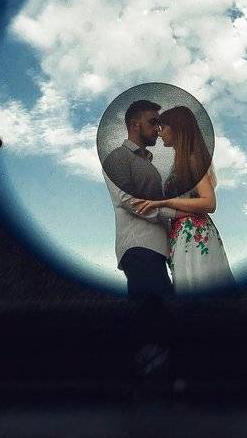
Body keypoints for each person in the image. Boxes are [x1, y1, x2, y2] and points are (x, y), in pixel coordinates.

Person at [134, 105, 235, 295]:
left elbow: (209, 202)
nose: (159, 133)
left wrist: (165, 202)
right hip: (182, 234)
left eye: (163, 127)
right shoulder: (181, 162)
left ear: (177, 129)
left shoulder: (192, 159)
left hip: (195, 234)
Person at [100, 99, 178, 302]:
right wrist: (176, 212)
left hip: (157, 249)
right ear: (135, 125)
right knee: (154, 312)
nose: (157, 129)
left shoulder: (148, 164)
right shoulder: (117, 157)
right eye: (153, 122)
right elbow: (127, 200)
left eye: (159, 124)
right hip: (139, 247)